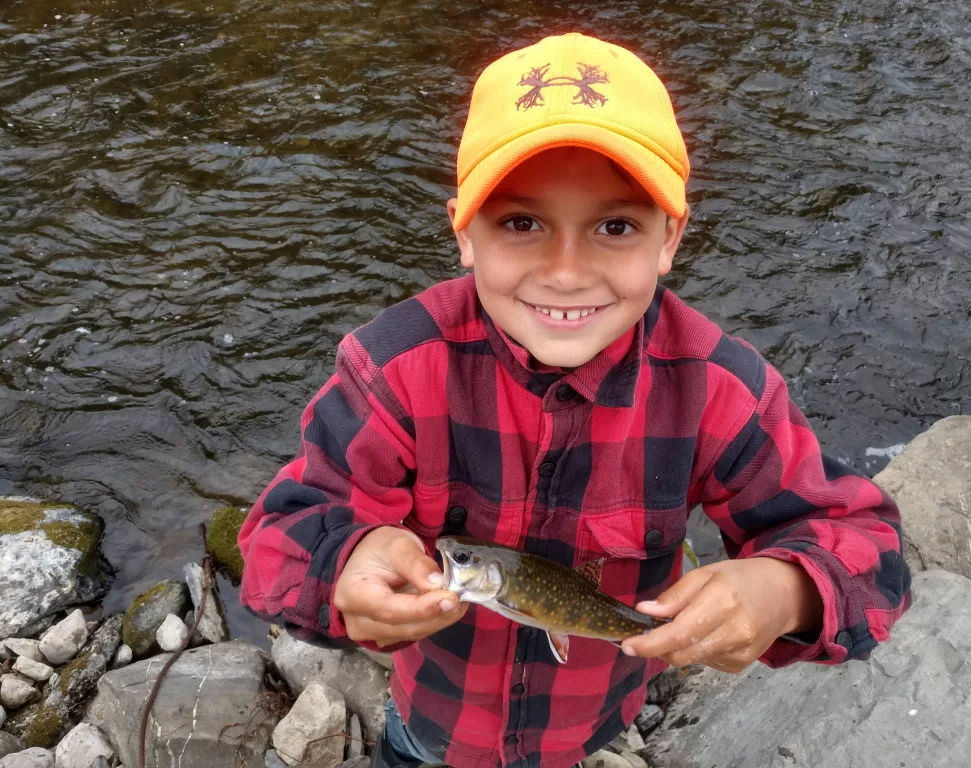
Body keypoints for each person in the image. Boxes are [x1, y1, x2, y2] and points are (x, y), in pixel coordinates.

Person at [238, 32, 911, 768]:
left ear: (670, 238)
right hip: (431, 722)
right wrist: (344, 562)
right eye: (521, 223)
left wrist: (784, 591)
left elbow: (867, 546)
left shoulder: (721, 391)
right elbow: (279, 533)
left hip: (586, 727)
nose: (565, 272)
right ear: (464, 230)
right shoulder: (394, 368)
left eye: (615, 226)